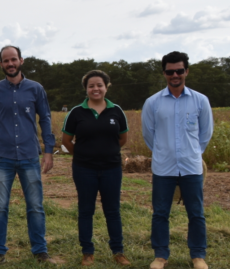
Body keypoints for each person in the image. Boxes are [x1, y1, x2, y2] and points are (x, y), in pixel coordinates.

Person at [0, 45, 57, 264]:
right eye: (6, 61)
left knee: (35, 206)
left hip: (30, 156)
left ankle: (40, 251)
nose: (10, 64)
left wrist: (48, 151)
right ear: (1, 64)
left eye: (13, 59)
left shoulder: (36, 88)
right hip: (3, 157)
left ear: (21, 60)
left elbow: (46, 118)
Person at [142, 51, 213, 269]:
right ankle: (160, 256)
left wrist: (192, 153)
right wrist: (165, 152)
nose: (175, 75)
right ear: (164, 73)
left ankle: (198, 255)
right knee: (160, 213)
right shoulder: (153, 102)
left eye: (179, 71)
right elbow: (148, 134)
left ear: (186, 72)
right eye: (171, 71)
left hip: (191, 167)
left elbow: (205, 134)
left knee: (196, 213)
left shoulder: (200, 100)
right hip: (163, 168)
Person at [61, 70, 131, 266]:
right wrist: (82, 155)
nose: (95, 89)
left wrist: (107, 153)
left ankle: (118, 251)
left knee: (113, 210)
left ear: (106, 87)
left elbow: (122, 138)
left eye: (99, 85)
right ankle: (87, 252)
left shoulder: (116, 111)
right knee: (85, 210)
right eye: (91, 86)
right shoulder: (76, 112)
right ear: (86, 89)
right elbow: (66, 140)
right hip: (84, 169)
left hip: (111, 169)